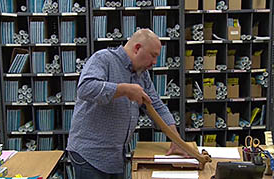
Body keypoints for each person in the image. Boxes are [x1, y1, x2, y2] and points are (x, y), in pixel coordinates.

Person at [66, 29, 189, 179]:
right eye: (153, 55)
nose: (155, 62)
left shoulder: (142, 74)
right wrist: (123, 89)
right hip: (90, 156)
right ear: (137, 48)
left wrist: (176, 140)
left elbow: (156, 106)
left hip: (116, 157)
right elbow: (85, 88)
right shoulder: (103, 59)